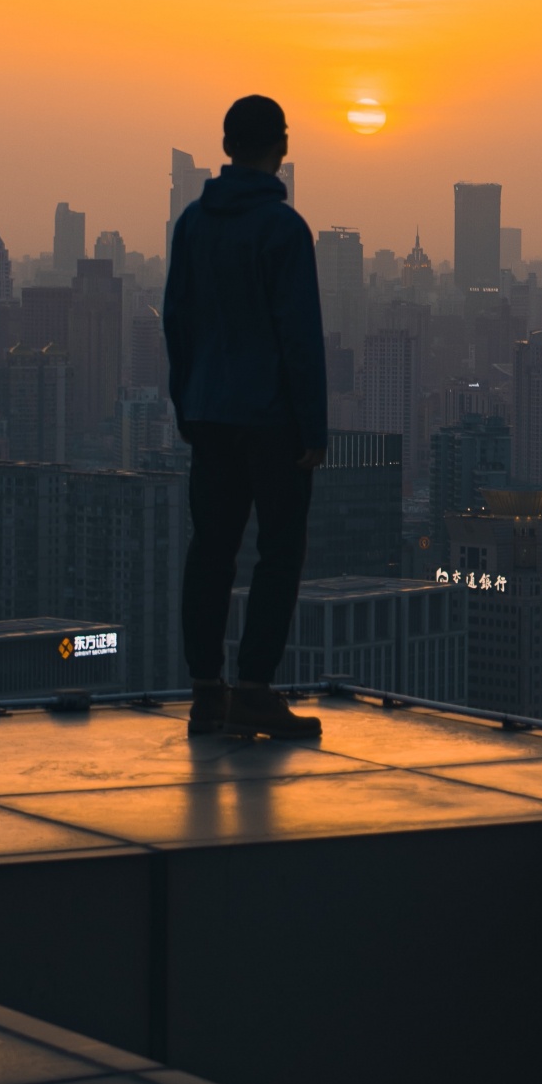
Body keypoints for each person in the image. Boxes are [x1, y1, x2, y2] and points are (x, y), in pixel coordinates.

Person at [164, 94, 327, 743]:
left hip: (208, 412)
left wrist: (187, 402)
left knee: (211, 551)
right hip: (270, 419)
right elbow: (299, 336)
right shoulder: (283, 230)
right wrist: (312, 429)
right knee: (279, 550)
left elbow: (176, 321)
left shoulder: (193, 224)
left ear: (228, 146)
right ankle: (255, 690)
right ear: (280, 148)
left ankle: (208, 695)